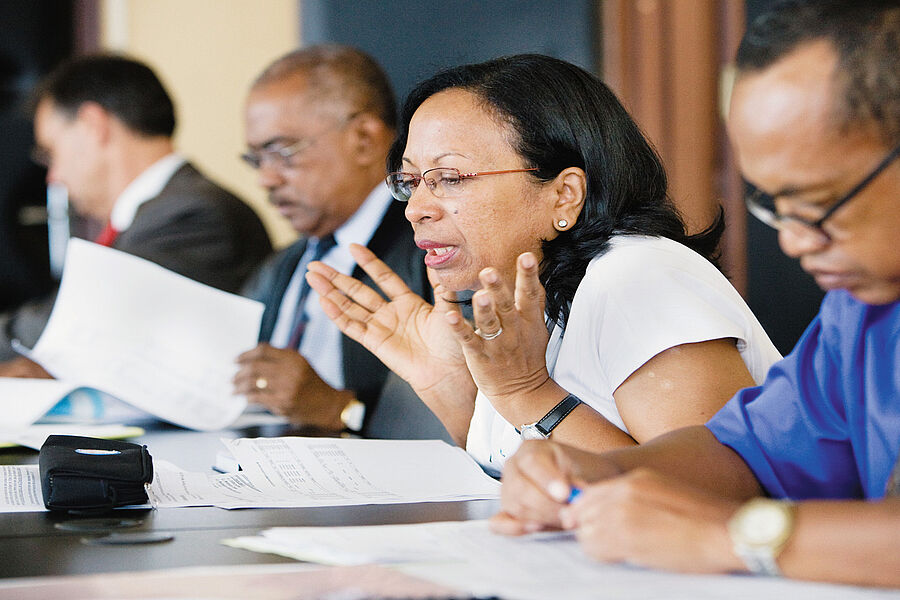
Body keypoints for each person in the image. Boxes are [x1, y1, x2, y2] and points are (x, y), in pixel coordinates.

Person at [492, 0, 900, 588]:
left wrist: (729, 536)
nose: (793, 242)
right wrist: (599, 476)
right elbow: (747, 452)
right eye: (776, 206)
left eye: (818, 204)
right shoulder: (863, 311)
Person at [306, 54, 781, 472]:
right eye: (411, 182)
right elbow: (511, 474)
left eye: (449, 178)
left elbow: (711, 494)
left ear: (564, 194)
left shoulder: (639, 278)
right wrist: (449, 385)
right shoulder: (533, 293)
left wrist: (527, 392)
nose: (415, 209)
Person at [0, 54, 272, 374]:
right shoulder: (160, 214)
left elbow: (79, 320)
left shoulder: (193, 215)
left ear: (92, 126)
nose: (52, 177)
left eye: (50, 153)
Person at [234, 45, 435, 434]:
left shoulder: (432, 249)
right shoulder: (282, 266)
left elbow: (471, 412)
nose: (266, 179)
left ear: (363, 140)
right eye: (257, 159)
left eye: (282, 152)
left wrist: (340, 409)